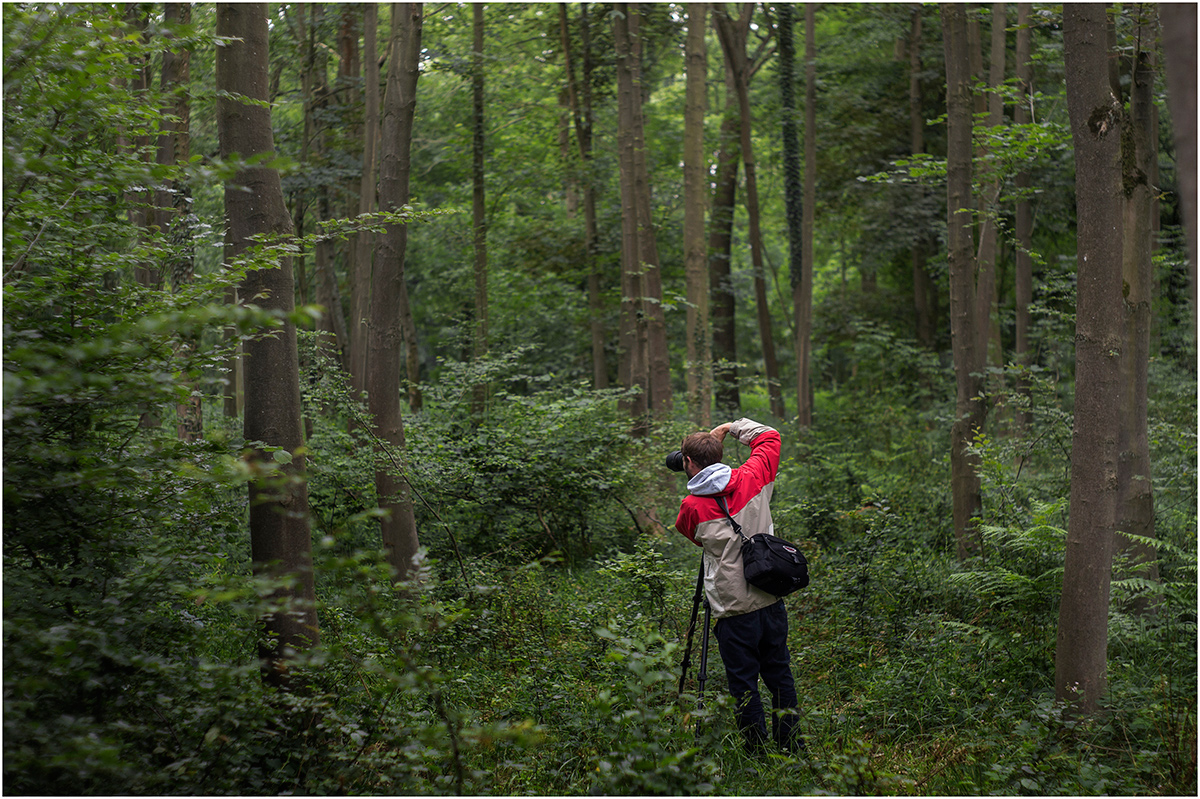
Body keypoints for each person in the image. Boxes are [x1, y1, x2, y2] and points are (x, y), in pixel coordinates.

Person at [673, 418, 802, 755]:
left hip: (732, 610)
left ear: (688, 463)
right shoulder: (753, 475)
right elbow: (769, 436)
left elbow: (693, 538)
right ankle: (791, 747)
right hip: (770, 595)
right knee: (779, 674)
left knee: (743, 682)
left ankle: (756, 752)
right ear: (719, 455)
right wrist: (730, 427)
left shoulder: (691, 507)